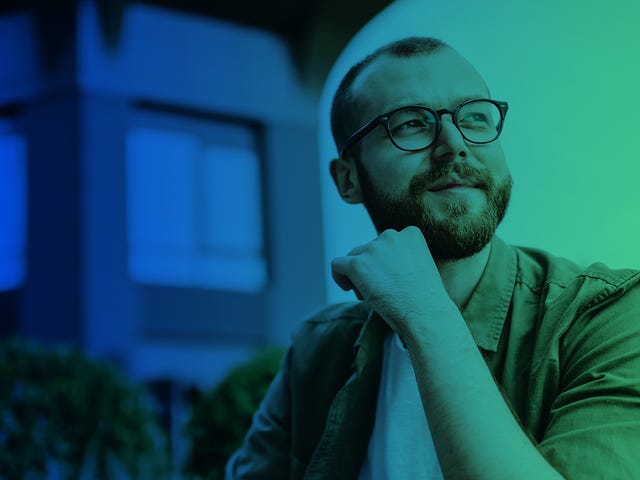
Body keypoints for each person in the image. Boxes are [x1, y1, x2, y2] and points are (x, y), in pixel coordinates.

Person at [225, 37, 640, 479]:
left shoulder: (604, 315)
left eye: (475, 116)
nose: (454, 144)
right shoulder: (318, 351)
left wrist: (425, 312)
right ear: (348, 179)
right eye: (409, 124)